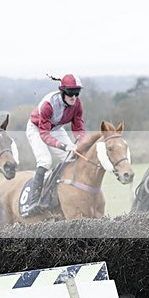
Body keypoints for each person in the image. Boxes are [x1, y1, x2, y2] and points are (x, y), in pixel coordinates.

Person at [25, 73, 86, 213]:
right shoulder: (48, 104)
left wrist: (84, 142)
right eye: (71, 93)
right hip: (37, 129)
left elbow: (78, 129)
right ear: (63, 92)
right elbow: (45, 135)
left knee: (71, 157)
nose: (74, 97)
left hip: (57, 128)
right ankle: (33, 202)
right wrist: (64, 146)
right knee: (45, 161)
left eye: (77, 93)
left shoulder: (77, 104)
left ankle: (61, 192)